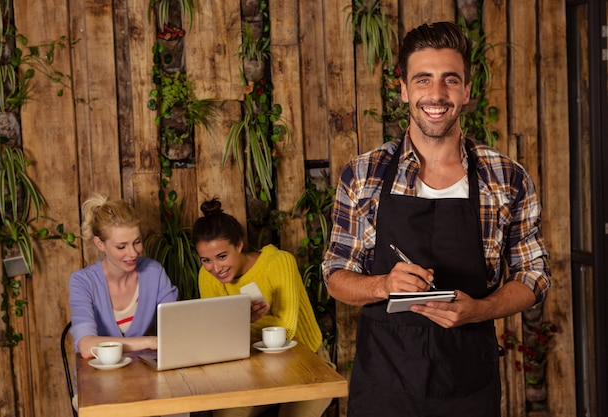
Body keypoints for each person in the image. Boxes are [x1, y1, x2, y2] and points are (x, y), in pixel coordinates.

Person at [322, 21, 551, 417]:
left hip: (468, 385)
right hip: (384, 385)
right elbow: (335, 275)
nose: (436, 94)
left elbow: (534, 276)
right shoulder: (363, 174)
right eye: (423, 79)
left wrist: (478, 310)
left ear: (466, 90)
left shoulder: (506, 177)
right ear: (404, 88)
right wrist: (383, 285)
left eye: (450, 80)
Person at [191, 198, 332, 417]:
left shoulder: (278, 262)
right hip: (253, 366)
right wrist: (240, 318)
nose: (215, 268)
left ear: (239, 245)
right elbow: (216, 333)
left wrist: (235, 320)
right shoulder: (206, 277)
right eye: (206, 260)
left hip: (308, 363)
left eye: (222, 256)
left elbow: (286, 331)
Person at [69, 193, 179, 358]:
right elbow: (86, 346)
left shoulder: (154, 273)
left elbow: (176, 329)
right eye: (121, 247)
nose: (133, 253)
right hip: (98, 377)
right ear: (100, 244)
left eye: (137, 242)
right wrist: (149, 342)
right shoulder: (83, 282)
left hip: (143, 374)